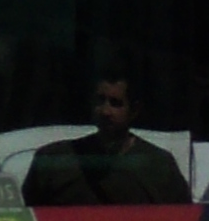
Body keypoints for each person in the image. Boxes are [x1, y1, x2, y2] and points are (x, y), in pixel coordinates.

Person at [23, 67, 190, 207]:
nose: (105, 111)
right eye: (100, 100)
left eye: (116, 103)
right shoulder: (54, 161)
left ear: (134, 110)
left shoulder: (159, 166)